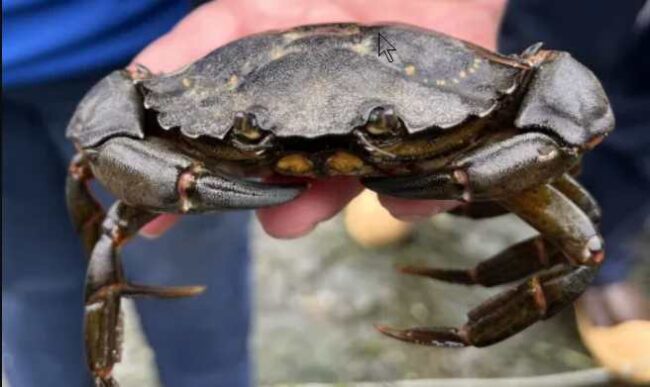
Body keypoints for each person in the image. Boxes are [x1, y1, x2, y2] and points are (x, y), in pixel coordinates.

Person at [3, 1, 504, 386]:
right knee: (38, 286)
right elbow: (101, 133)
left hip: (155, 27)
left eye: (383, 127)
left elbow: (560, 102)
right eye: (250, 131)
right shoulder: (144, 106)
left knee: (193, 287)